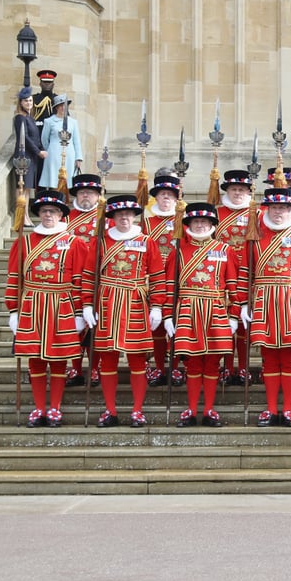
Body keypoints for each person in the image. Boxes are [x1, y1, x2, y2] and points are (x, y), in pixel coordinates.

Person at [239, 187, 291, 427]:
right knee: (268, 358)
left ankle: (287, 408)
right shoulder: (255, 236)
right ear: (267, 208)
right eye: (275, 207)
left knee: (289, 358)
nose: (279, 212)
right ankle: (271, 408)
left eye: (284, 208)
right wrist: (244, 302)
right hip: (264, 299)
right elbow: (246, 272)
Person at [81, 194, 165, 428]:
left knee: (138, 360)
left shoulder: (147, 241)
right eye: (119, 215)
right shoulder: (100, 241)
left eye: (128, 215)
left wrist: (157, 305)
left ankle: (137, 410)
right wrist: (87, 303)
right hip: (107, 303)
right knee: (107, 361)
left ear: (134, 216)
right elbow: (89, 275)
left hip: (137, 302)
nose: (124, 219)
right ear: (113, 217)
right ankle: (110, 410)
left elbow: (158, 276)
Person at [5, 189, 88, 428]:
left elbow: (81, 280)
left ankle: (55, 408)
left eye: (53, 211)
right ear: (38, 214)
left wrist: (80, 312)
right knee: (36, 360)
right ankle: (39, 407)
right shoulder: (24, 242)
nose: (48, 215)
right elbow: (14, 278)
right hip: (32, 305)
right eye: (44, 211)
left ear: (62, 214)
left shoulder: (75, 244)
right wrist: (13, 310)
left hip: (62, 306)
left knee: (60, 360)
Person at [163, 202, 240, 428]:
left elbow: (233, 286)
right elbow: (170, 286)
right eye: (195, 222)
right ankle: (192, 409)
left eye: (204, 222)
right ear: (188, 224)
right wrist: (168, 316)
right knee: (193, 363)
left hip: (216, 310)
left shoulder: (225, 250)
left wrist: (234, 315)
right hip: (187, 310)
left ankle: (208, 409)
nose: (199, 225)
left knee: (213, 362)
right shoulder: (177, 250)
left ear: (212, 224)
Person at [63, 173, 105, 388]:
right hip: (71, 282)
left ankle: (95, 368)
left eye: (90, 192)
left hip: (99, 281)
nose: (86, 196)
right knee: (75, 327)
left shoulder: (106, 220)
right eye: (82, 192)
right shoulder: (66, 219)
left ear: (98, 195)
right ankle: (76, 368)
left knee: (95, 327)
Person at [142, 175, 182, 386]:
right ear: (155, 197)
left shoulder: (184, 223)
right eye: (162, 194)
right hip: (153, 281)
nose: (166, 198)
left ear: (176, 199)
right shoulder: (145, 223)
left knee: (174, 324)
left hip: (177, 279)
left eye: (170, 195)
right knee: (156, 327)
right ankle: (159, 366)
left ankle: (174, 367)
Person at [215, 169, 254, 387]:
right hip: (222, 276)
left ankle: (244, 367)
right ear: (227, 190)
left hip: (250, 276)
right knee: (227, 322)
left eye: (241, 189)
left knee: (246, 324)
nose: (237, 193)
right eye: (233, 189)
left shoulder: (256, 213)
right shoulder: (216, 214)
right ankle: (227, 366)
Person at [12, 86, 46, 216]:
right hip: (23, 156)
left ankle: (26, 215)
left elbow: (36, 138)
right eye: (26, 101)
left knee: (27, 189)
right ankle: (21, 216)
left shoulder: (30, 118)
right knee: (21, 188)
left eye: (31, 101)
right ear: (21, 102)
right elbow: (24, 138)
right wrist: (38, 152)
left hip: (31, 157)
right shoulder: (20, 118)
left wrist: (41, 149)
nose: (29, 103)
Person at [39, 94, 83, 190]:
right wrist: (50, 150)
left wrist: (78, 158)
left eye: (65, 105)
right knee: (54, 180)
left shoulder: (73, 122)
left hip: (70, 154)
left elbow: (76, 141)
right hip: (54, 154)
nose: (63, 107)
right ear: (56, 107)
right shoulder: (49, 121)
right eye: (61, 105)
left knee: (68, 181)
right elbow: (44, 139)